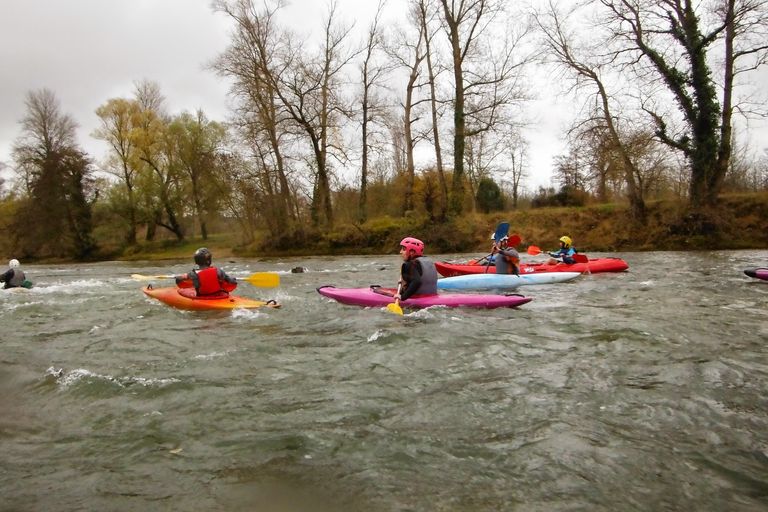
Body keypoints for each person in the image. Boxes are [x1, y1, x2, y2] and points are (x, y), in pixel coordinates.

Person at [394, 237, 438, 302]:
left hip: (417, 298)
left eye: (403, 249)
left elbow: (417, 282)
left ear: (411, 252)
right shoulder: (429, 261)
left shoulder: (409, 264)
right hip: (433, 296)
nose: (400, 252)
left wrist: (402, 297)